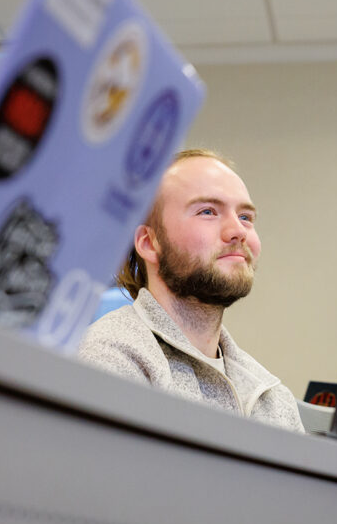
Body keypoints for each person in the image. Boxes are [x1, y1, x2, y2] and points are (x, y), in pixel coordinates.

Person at [77, 150, 304, 434]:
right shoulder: (109, 358)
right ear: (149, 242)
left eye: (246, 217)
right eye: (207, 212)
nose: (238, 231)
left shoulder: (272, 397)